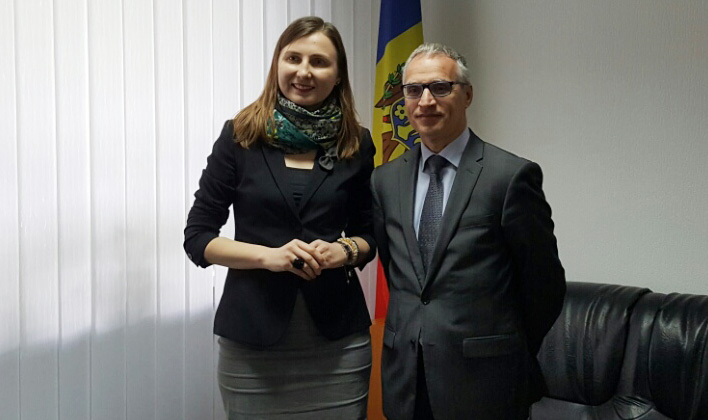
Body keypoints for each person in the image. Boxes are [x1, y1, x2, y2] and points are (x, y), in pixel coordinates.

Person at [184, 16, 376, 420]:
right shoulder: (239, 135)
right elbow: (198, 237)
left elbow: (369, 234)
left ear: (338, 75)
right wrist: (269, 257)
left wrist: (342, 251)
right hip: (253, 343)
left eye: (319, 62)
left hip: (338, 342)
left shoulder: (356, 143)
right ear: (277, 65)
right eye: (294, 58)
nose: (304, 71)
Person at [371, 43, 566, 420]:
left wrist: (500, 345)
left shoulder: (509, 177)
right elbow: (400, 273)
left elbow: (544, 284)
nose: (425, 100)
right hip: (405, 380)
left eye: (440, 88)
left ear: (467, 94)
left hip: (485, 383)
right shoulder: (384, 180)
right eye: (413, 90)